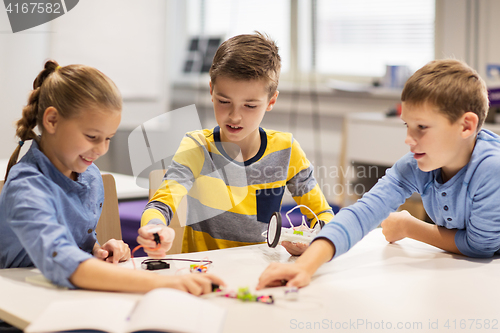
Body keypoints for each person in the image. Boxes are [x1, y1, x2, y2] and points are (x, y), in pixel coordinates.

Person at [257, 59, 500, 289]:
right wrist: (305, 265)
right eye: (408, 125)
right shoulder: (415, 165)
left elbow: (479, 247)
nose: (408, 139)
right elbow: (362, 213)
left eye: (422, 127)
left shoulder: (491, 168)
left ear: (466, 126)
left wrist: (410, 227)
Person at [0, 60, 223, 295]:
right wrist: (164, 284)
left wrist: (97, 250)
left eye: (108, 138)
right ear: (52, 120)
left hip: (71, 297)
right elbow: (61, 261)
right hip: (20, 306)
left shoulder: (91, 176)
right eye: (92, 136)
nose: (102, 149)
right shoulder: (26, 186)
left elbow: (74, 245)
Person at [138, 32, 334, 257]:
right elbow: (160, 204)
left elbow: (323, 215)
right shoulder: (197, 146)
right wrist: (155, 226)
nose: (234, 116)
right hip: (206, 273)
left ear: (271, 101)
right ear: (211, 91)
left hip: (262, 271)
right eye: (224, 102)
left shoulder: (286, 150)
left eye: (249, 106)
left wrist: (314, 241)